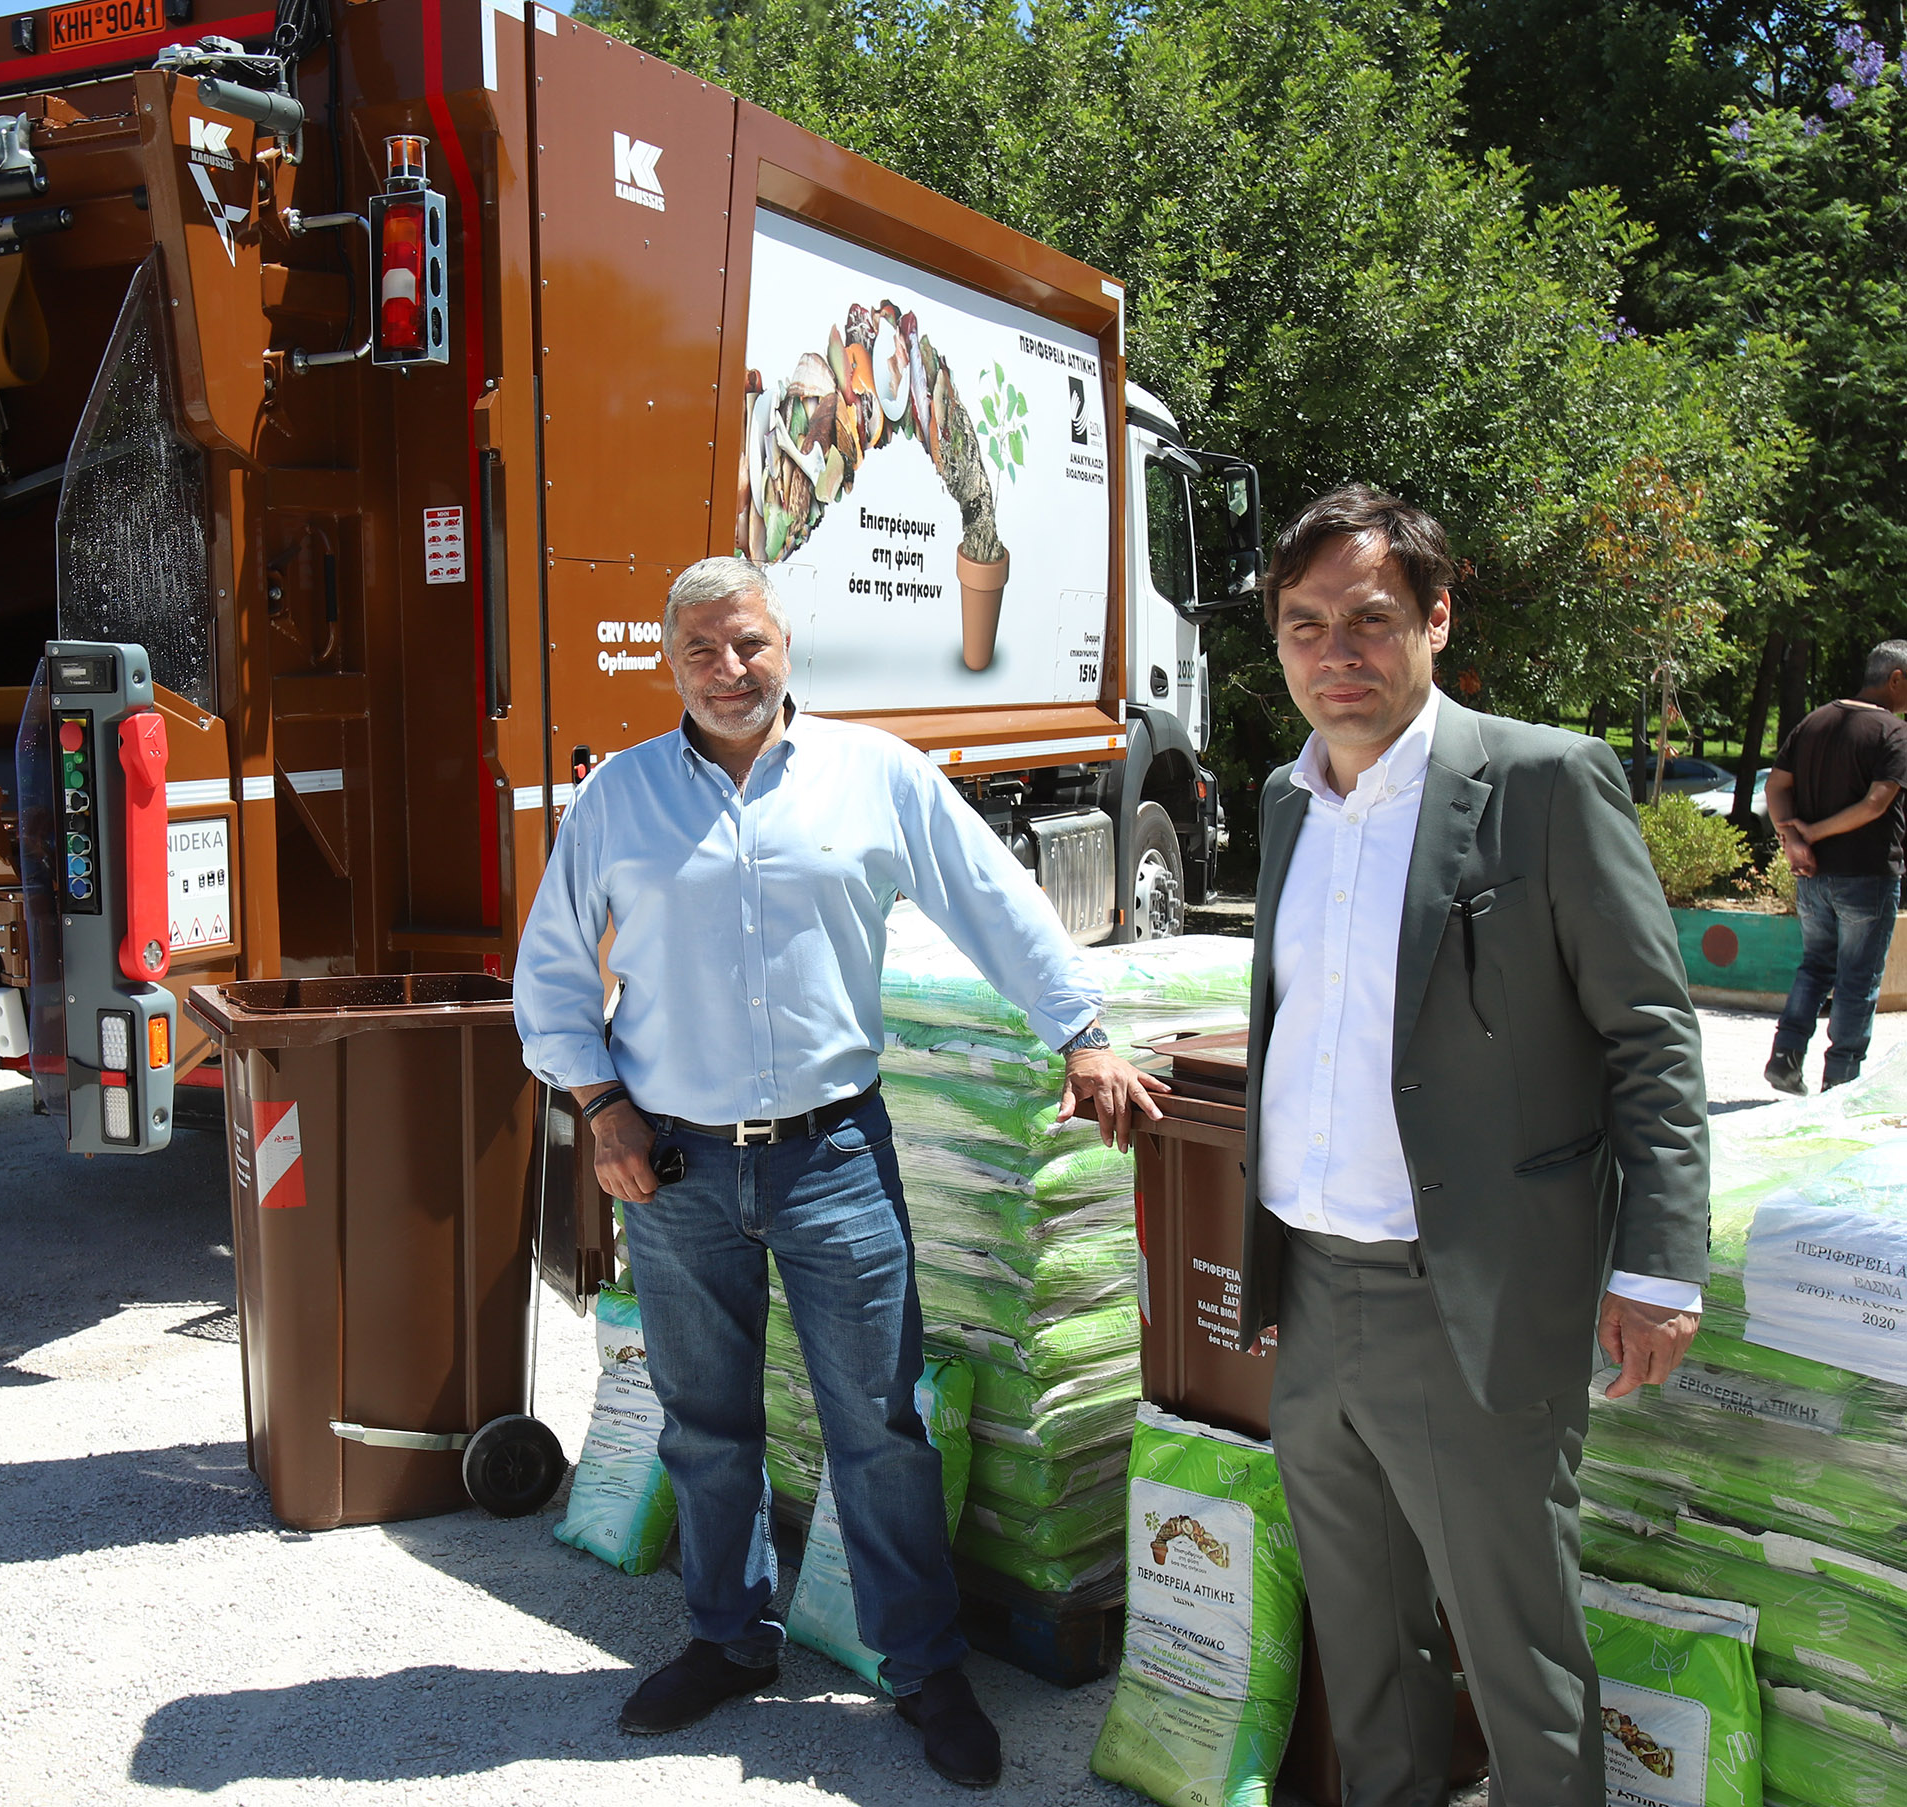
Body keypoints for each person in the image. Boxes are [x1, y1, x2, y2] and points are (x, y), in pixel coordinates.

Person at [514, 556, 1164, 1788]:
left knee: (880, 1424)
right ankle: (728, 1636)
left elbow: (990, 898)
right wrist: (598, 1106)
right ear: (669, 663)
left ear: (784, 643)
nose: (728, 670)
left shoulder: (875, 774)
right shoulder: (618, 800)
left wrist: (1078, 1030)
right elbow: (549, 971)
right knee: (706, 1423)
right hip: (674, 1163)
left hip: (834, 1157)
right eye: (700, 650)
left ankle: (922, 1665)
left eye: (747, 643)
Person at [1232, 485, 1709, 1806]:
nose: (1335, 652)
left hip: (1469, 1299)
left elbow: (1648, 1037)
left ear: (1434, 619)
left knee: (1515, 1655)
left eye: (1369, 619)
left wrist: (1657, 1263)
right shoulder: (1284, 801)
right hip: (1311, 1288)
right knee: (1363, 1639)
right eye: (1304, 623)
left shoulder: (1542, 783)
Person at [1762, 642, 1907, 1094]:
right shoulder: (1894, 733)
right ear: (1896, 679)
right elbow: (1876, 804)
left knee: (1815, 966)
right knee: (1858, 979)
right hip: (1867, 875)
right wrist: (1810, 833)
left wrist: (1793, 840)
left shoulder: (1815, 721)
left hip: (1813, 877)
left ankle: (1785, 1056)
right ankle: (1841, 1082)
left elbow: (1775, 787)